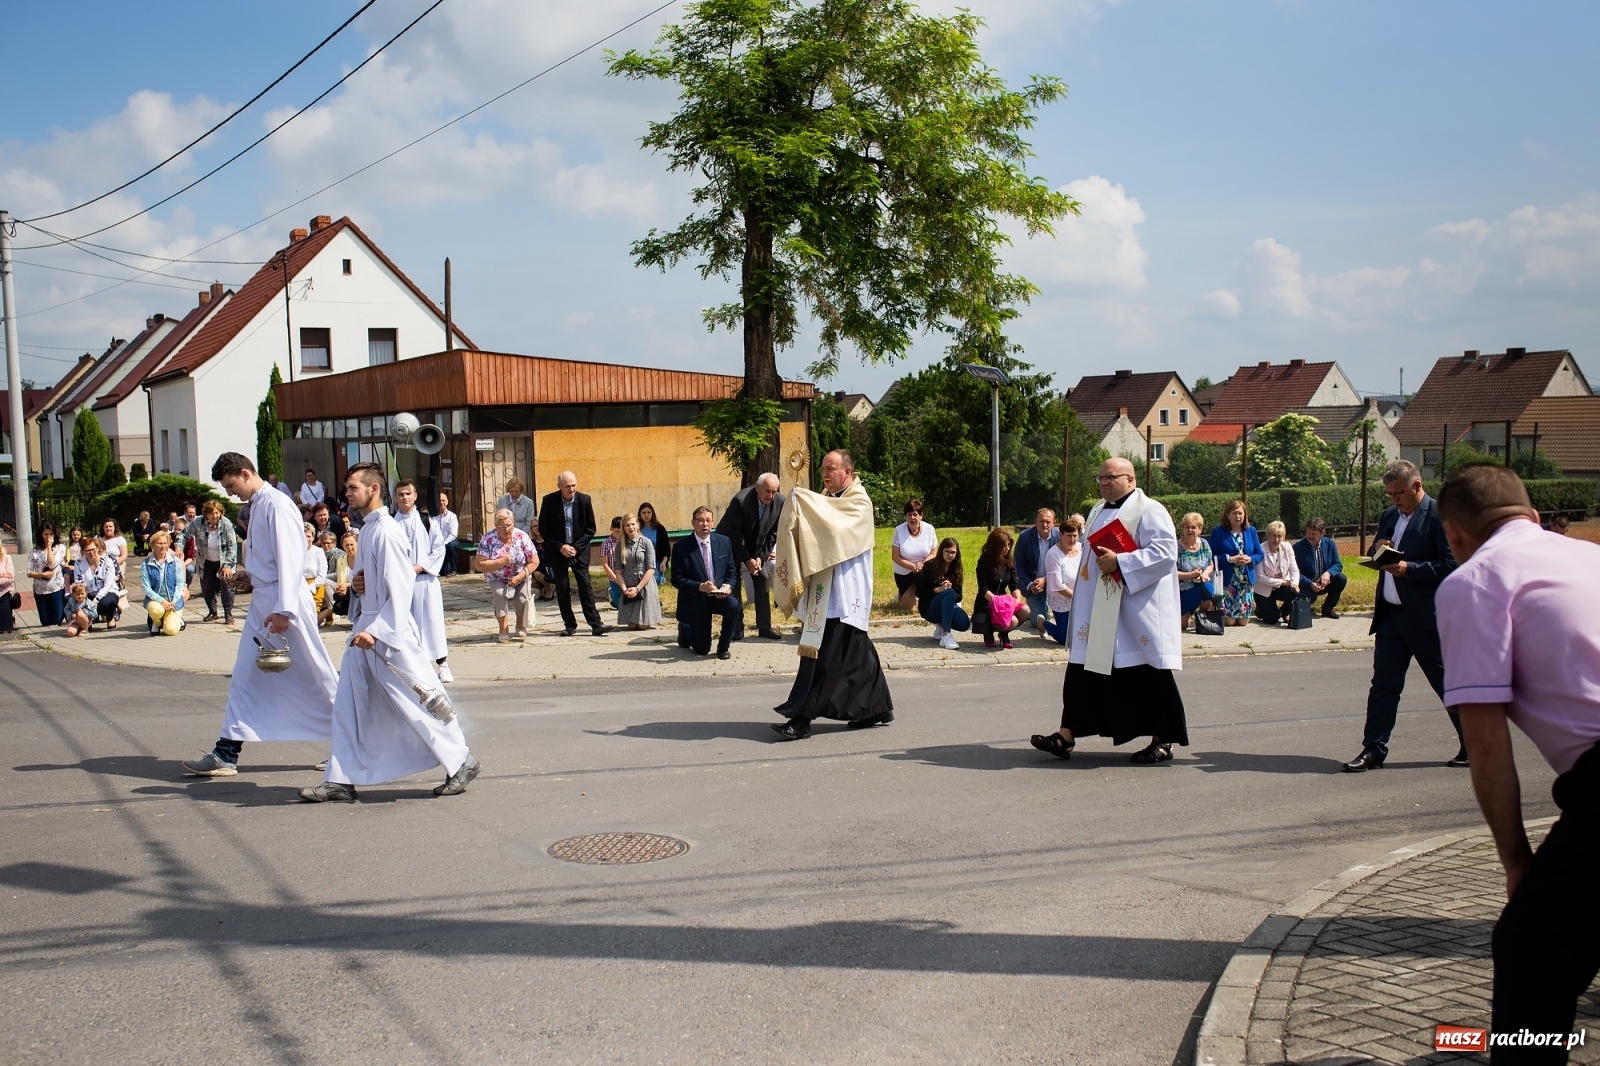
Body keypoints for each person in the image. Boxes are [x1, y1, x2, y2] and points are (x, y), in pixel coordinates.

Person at [1433, 465, 1600, 1053]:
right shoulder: (1590, 557)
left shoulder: (1475, 581)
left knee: (1532, 948)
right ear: (1530, 513)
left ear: (1454, 534)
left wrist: (1516, 862)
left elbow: (1484, 741)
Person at [301, 462, 480, 802]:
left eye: (353, 487)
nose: (347, 493)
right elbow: (375, 579)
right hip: (368, 628)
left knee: (414, 701)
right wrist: (358, 582)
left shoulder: (386, 530)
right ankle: (340, 777)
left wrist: (378, 631)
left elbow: (401, 588)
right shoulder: (368, 528)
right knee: (349, 705)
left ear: (373, 489)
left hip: (388, 633)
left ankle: (460, 761)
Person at [179, 452, 337, 778]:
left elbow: (291, 560)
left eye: (230, 484)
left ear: (244, 472)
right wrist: (250, 576)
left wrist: (283, 610)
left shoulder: (277, 504)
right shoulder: (258, 505)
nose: (229, 492)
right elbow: (268, 558)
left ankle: (352, 742)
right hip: (267, 599)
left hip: (285, 602)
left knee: (317, 675)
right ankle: (226, 752)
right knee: (245, 675)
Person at [1030, 456, 1188, 765]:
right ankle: (1066, 736)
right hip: (1100, 611)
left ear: (1130, 480)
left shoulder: (1150, 511)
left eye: (1110, 477)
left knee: (1148, 677)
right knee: (1083, 673)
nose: (1103, 482)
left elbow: (1166, 554)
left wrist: (1122, 562)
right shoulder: (1097, 510)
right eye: (1100, 478)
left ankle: (1164, 739)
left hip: (1134, 613)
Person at [1343, 459, 1466, 773]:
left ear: (1417, 486)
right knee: (1384, 685)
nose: (1394, 499)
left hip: (1426, 619)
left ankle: (1474, 744)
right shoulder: (1388, 516)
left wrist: (1409, 569)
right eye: (1389, 494)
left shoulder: (1440, 515)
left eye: (1399, 492)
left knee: (1446, 684)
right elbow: (1376, 554)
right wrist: (1378, 550)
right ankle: (1373, 751)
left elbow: (1452, 565)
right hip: (1391, 618)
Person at [770, 450, 894, 738]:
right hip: (827, 595)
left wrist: (806, 500)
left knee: (823, 660)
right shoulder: (827, 500)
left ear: (847, 473)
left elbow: (833, 529)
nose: (825, 474)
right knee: (857, 653)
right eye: (823, 469)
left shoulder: (859, 502)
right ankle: (876, 707)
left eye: (831, 468)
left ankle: (801, 719)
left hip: (845, 595)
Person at [715, 472, 787, 640]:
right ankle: (736, 628)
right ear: (757, 488)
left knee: (761, 577)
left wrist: (761, 558)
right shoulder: (740, 501)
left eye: (774, 491)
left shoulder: (780, 502)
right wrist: (747, 560)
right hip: (729, 545)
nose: (770, 496)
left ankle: (765, 628)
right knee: (734, 583)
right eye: (767, 491)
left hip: (756, 547)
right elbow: (735, 536)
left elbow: (773, 533)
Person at [538, 471, 609, 637]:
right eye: (568, 486)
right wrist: (561, 547)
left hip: (579, 551)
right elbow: (544, 529)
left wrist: (576, 548)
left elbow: (590, 529)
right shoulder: (549, 501)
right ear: (560, 487)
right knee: (562, 588)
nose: (571, 489)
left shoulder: (584, 500)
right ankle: (569, 625)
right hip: (558, 552)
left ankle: (596, 624)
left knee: (586, 587)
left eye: (574, 485)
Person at [394, 479, 451, 683]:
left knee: (432, 622)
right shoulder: (391, 524)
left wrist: (418, 567)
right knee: (407, 625)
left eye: (408, 494)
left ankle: (442, 664)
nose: (405, 498)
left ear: (415, 496)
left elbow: (439, 548)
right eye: (400, 494)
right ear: (396, 497)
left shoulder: (427, 521)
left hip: (425, 580)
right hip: (401, 583)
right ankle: (413, 667)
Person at [671, 505, 740, 658]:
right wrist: (700, 586)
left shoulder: (724, 542)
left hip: (718, 596)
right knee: (702, 650)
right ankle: (685, 630)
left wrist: (728, 587)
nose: (705, 524)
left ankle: (723, 648)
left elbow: (732, 572)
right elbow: (676, 579)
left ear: (713, 522)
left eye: (708, 521)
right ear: (693, 523)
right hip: (696, 599)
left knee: (734, 606)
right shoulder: (681, 547)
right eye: (701, 521)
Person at [474, 507, 539, 642]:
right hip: (496, 576)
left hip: (520, 575)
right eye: (502, 526)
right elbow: (479, 564)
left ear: (513, 523)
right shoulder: (488, 539)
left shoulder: (522, 536)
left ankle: (520, 626)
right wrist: (500, 561)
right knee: (499, 595)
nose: (506, 529)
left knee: (521, 600)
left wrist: (519, 577)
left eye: (509, 525)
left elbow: (534, 561)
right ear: (496, 525)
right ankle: (503, 630)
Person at [972, 527, 1030, 650]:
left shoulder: (1010, 560)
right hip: (987, 602)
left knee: (1025, 610)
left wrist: (1016, 600)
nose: (1007, 549)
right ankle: (990, 632)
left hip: (1003, 601)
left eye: (1009, 545)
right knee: (1012, 621)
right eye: (1004, 546)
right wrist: (997, 602)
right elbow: (983, 589)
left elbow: (1014, 585)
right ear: (995, 546)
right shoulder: (983, 562)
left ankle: (1003, 633)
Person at [1209, 500, 1261, 627]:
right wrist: (1230, 559)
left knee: (1243, 623)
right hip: (1227, 581)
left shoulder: (1251, 531)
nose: (1238, 517)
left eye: (1240, 513)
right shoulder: (1218, 532)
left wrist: (1250, 559)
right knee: (1229, 622)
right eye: (1234, 513)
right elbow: (1210, 556)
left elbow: (1259, 554)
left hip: (1245, 581)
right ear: (1227, 515)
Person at [915, 537, 970, 651]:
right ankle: (946, 635)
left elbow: (959, 596)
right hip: (929, 607)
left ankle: (941, 625)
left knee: (964, 624)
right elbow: (919, 592)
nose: (950, 555)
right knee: (947, 592)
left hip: (948, 604)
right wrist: (939, 590)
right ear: (941, 551)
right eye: (947, 552)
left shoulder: (956, 569)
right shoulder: (930, 566)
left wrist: (950, 591)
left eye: (953, 552)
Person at [1015, 508, 1060, 639]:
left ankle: (1046, 607)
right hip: (1033, 585)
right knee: (1036, 622)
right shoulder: (1025, 537)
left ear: (1054, 523)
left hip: (1054, 582)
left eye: (1048, 521)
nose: (1044, 525)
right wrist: (1029, 584)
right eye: (1041, 521)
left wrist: (1045, 579)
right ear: (1035, 521)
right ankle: (1041, 608)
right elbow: (1017, 563)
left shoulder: (1059, 537)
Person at [193, 499, 238, 625]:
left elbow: (232, 547)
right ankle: (213, 612)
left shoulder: (226, 524)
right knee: (207, 588)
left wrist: (227, 565)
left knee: (227, 588)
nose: (214, 516)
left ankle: (228, 614)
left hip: (224, 562)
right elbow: (185, 534)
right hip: (206, 561)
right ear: (206, 514)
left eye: (217, 513)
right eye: (211, 513)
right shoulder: (199, 522)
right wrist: (179, 547)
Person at [616, 512, 662, 631]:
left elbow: (651, 568)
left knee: (642, 626)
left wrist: (638, 588)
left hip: (644, 584)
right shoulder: (620, 545)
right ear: (623, 528)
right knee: (632, 626)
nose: (630, 527)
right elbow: (618, 571)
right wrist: (624, 588)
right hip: (628, 584)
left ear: (637, 525)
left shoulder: (646, 542)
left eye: (632, 524)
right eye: (627, 525)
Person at [889, 499, 938, 612]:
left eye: (915, 514)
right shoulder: (898, 530)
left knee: (930, 602)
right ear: (905, 516)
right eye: (909, 514)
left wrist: (922, 565)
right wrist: (912, 566)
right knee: (909, 608)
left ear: (921, 515)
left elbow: (934, 553)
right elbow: (895, 557)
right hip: (904, 573)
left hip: (925, 571)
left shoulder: (929, 529)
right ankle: (902, 594)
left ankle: (921, 591)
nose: (912, 518)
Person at [1293, 517, 1346, 619]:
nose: (1310, 536)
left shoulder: (1330, 544)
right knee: (1310, 597)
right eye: (1308, 533)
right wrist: (1310, 583)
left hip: (1325, 583)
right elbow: (1295, 572)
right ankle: (1293, 608)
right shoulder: (1298, 547)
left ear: (1323, 533)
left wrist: (1328, 573)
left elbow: (1337, 564)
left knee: (1341, 579)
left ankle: (1328, 608)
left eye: (1314, 534)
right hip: (1307, 585)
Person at [1042, 515, 1084, 645]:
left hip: (1080, 597)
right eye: (1068, 535)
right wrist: (1078, 597)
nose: (1072, 539)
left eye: (1075, 536)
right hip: (1062, 600)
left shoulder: (1082, 548)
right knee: (1065, 639)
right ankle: (1042, 624)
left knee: (1081, 635)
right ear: (1061, 535)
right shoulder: (1053, 555)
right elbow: (1057, 585)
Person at [1252, 521, 1302, 625]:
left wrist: (1294, 583)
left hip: (1281, 586)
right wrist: (1283, 582)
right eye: (1273, 536)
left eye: (1280, 536)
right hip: (1263, 589)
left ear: (1284, 537)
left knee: (1294, 592)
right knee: (1272, 620)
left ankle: (1285, 612)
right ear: (1267, 535)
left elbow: (1294, 569)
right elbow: (1260, 577)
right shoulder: (1260, 549)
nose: (1276, 539)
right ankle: (1260, 609)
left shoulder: (1287, 547)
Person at [1175, 512, 1216, 633]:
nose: (1190, 530)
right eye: (1186, 527)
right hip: (1183, 590)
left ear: (1200, 529)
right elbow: (1171, 573)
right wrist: (1191, 575)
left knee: (1209, 590)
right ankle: (1188, 612)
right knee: (1183, 625)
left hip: (1201, 585)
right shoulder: (1176, 547)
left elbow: (1210, 564)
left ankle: (1203, 617)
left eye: (1193, 527)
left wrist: (1205, 574)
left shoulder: (1204, 544)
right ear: (1182, 529)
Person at [140, 531, 186, 636]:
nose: (163, 546)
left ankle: (176, 618)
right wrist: (162, 601)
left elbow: (179, 583)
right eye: (159, 543)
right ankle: (156, 622)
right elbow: (146, 587)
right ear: (152, 545)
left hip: (172, 601)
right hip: (156, 600)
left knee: (170, 631)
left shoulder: (175, 561)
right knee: (156, 610)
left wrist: (173, 601)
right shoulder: (146, 563)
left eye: (165, 543)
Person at [74, 539, 122, 628]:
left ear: (97, 548)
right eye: (87, 551)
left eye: (93, 549)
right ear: (83, 551)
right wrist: (83, 595)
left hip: (107, 592)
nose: (91, 553)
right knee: (71, 600)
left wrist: (95, 601)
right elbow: (78, 582)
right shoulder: (79, 563)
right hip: (88, 592)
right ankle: (88, 620)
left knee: (105, 604)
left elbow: (107, 585)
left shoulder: (107, 561)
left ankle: (110, 617)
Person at [29, 523, 68, 628]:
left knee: (57, 620)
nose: (48, 537)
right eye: (46, 534)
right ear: (41, 535)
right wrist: (42, 574)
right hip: (40, 589)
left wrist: (49, 547)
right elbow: (29, 572)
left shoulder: (60, 548)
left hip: (56, 587)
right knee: (45, 622)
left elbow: (52, 563)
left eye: (51, 534)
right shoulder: (34, 551)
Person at [637, 502, 672, 588]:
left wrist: (664, 562)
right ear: (640, 514)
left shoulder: (660, 529)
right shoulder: (637, 529)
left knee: (654, 582)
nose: (646, 515)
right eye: (644, 513)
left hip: (656, 561)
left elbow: (666, 549)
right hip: (641, 562)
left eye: (649, 512)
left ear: (652, 513)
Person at [601, 516, 624, 609]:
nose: (620, 534)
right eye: (617, 531)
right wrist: (615, 578)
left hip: (626, 575)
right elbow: (605, 564)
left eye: (621, 531)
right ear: (611, 529)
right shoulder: (606, 543)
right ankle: (612, 595)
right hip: (613, 576)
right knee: (618, 604)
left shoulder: (627, 541)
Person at [436, 492, 460, 576]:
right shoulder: (433, 517)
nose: (441, 502)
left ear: (447, 502)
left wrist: (444, 543)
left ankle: (454, 569)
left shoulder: (452, 516)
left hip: (450, 540)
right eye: (439, 500)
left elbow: (453, 534)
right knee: (444, 572)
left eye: (443, 500)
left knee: (450, 546)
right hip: (438, 542)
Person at [0, 546, 14, 634]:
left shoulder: (6, 558)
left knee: (5, 629)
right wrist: (4, 576)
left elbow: (11, 578)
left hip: (4, 595)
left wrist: (5, 577)